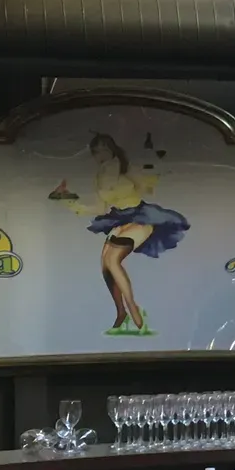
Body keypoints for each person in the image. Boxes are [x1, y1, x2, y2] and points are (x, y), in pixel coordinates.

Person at [48, 131, 189, 337]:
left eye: (104, 149)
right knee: (105, 264)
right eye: (96, 151)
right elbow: (100, 207)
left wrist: (156, 169)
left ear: (112, 149)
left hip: (141, 217)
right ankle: (121, 313)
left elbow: (147, 183)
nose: (100, 154)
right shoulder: (101, 176)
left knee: (113, 260)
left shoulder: (124, 167)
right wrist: (69, 201)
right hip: (119, 218)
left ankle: (134, 310)